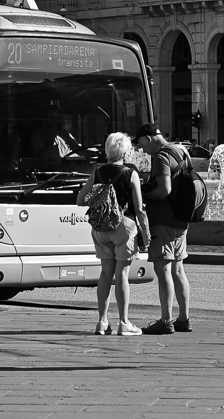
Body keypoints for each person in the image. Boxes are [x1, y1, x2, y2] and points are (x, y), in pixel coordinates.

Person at [81, 131, 148, 335]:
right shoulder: (131, 173)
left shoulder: (97, 173)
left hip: (100, 228)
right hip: (123, 227)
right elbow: (139, 208)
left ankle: (102, 322)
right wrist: (146, 232)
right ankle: (124, 322)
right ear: (126, 152)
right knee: (123, 274)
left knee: (105, 273)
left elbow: (80, 200)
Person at [135, 122, 193, 335]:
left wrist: (142, 196)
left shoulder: (160, 156)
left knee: (163, 269)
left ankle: (166, 320)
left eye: (142, 144)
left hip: (163, 219)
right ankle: (184, 318)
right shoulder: (180, 150)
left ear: (149, 139)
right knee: (178, 269)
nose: (142, 150)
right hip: (181, 219)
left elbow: (164, 190)